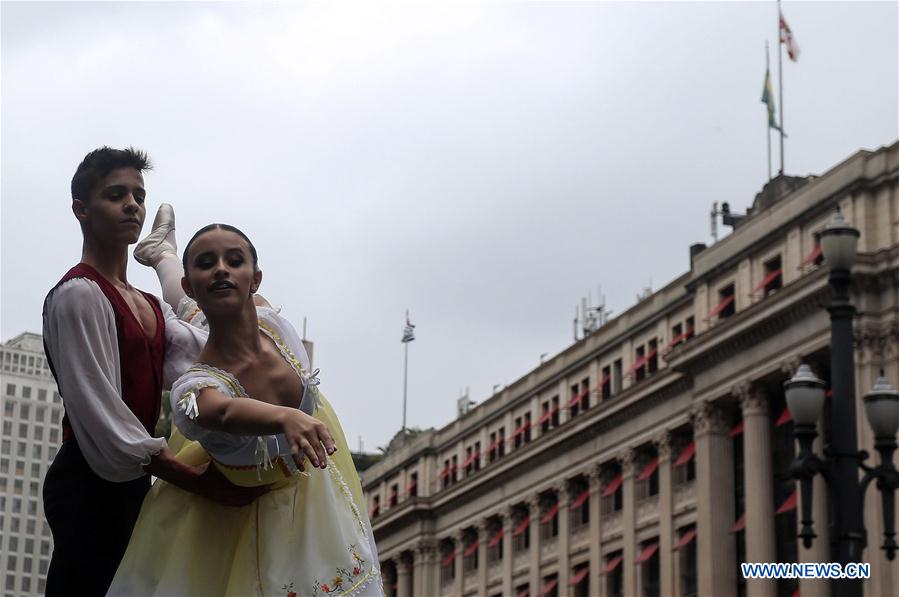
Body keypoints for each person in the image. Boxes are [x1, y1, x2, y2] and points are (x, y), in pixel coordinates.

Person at [108, 223, 383, 596]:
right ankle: (168, 258)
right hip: (233, 518)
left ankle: (161, 254)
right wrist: (286, 416)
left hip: (309, 498)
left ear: (255, 280)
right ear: (191, 283)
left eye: (234, 261)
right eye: (206, 263)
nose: (221, 268)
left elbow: (202, 304)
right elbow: (221, 412)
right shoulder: (193, 390)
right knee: (194, 316)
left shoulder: (273, 323)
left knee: (193, 314)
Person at [41, 147, 266, 596]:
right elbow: (102, 418)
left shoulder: (149, 305)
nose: (132, 205)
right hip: (91, 480)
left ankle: (163, 254)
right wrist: (196, 481)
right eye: (116, 195)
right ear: (81, 209)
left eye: (139, 196)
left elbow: (209, 360)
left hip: (135, 478)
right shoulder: (78, 295)